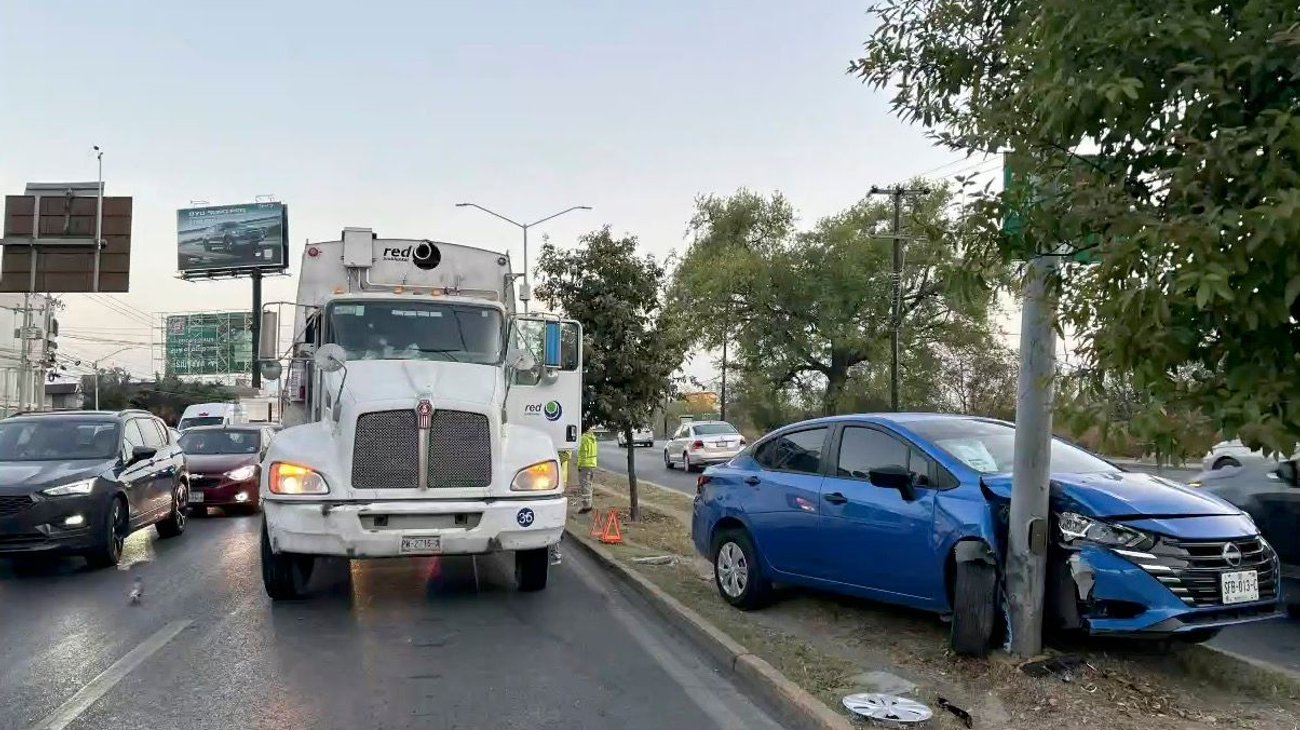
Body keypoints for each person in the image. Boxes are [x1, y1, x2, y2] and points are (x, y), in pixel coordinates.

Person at [577, 423, 598, 514]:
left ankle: (586, 506)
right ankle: (589, 504)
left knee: (585, 486)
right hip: (592, 464)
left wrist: (579, 465)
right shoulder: (593, 438)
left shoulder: (584, 438)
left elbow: (582, 454)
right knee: (589, 485)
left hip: (585, 465)